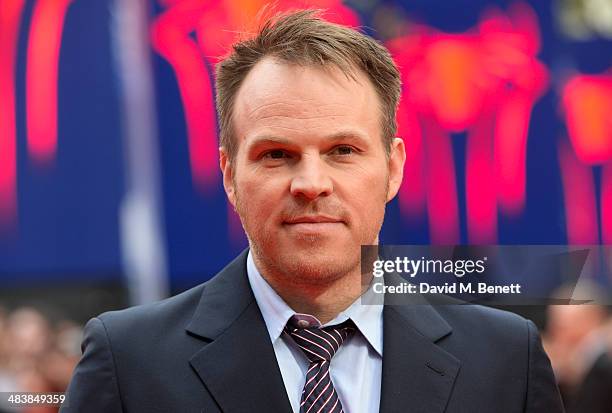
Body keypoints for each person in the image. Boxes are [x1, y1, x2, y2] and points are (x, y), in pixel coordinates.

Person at [61, 10, 564, 413]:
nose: (311, 184)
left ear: (393, 169)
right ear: (229, 173)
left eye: (343, 150)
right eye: (276, 154)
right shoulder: (129, 361)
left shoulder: (504, 360)